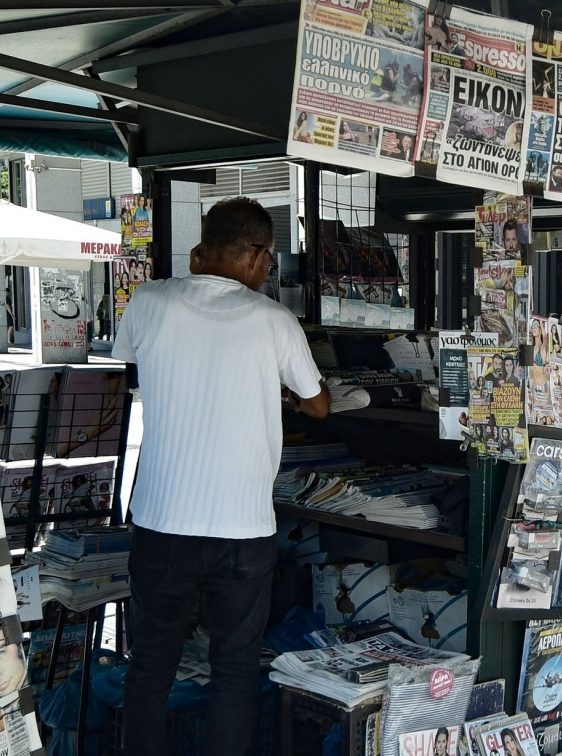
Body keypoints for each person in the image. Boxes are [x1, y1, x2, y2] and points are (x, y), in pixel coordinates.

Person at [113, 197, 330, 756]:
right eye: (269, 260)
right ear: (257, 255)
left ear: (200, 249)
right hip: (242, 528)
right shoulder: (275, 320)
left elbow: (137, 359)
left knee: (151, 663)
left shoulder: (148, 300)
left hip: (162, 520)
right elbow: (318, 404)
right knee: (233, 668)